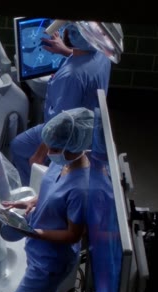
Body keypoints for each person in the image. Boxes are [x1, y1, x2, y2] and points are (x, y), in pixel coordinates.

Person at [1, 107, 94, 292]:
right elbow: (50, 191)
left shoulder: (81, 187)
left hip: (51, 261)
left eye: (54, 147)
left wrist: (36, 233)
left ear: (72, 145)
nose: (48, 151)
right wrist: (27, 203)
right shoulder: (61, 162)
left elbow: (73, 235)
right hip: (40, 252)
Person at [10, 22, 111, 186]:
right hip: (90, 126)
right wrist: (65, 51)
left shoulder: (71, 77)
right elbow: (86, 56)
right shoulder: (103, 53)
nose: (64, 29)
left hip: (68, 132)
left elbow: (59, 124)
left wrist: (39, 155)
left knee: (18, 146)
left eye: (69, 27)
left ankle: (35, 189)